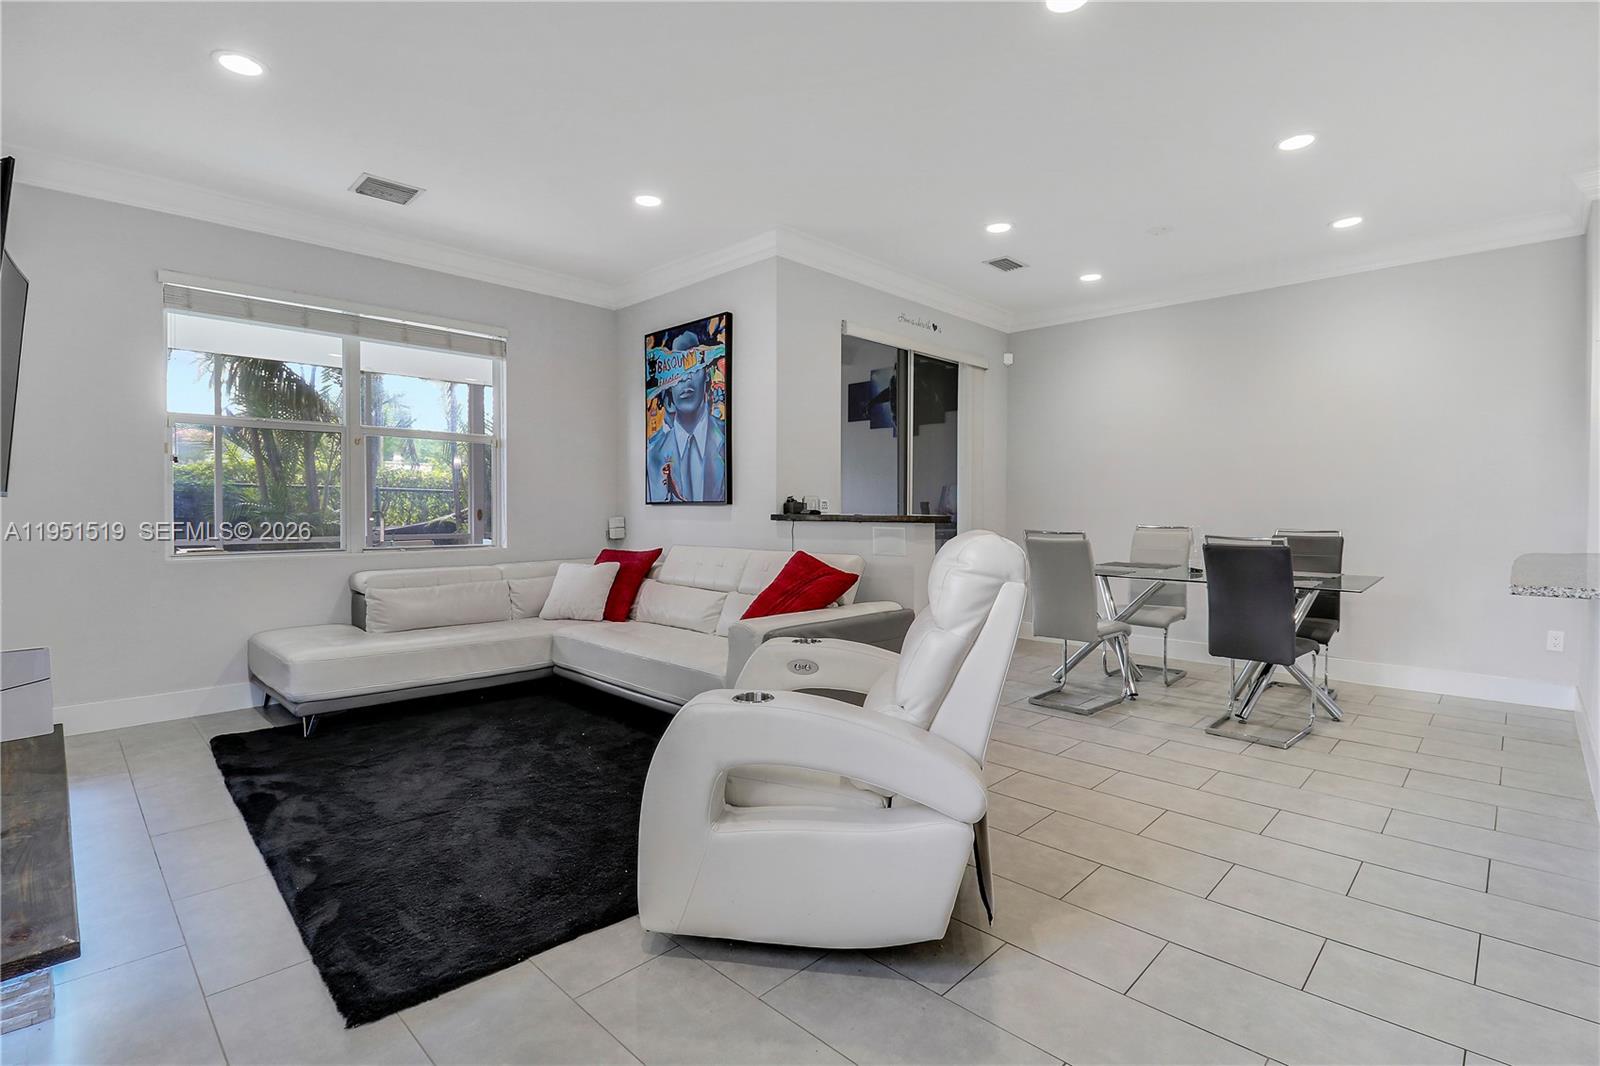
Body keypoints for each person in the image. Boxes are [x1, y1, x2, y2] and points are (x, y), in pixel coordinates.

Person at [646, 331, 727, 502]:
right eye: (677, 369)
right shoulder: (653, 456)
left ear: (707, 373)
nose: (685, 377)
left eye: (693, 364)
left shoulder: (725, 440)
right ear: (667, 384)